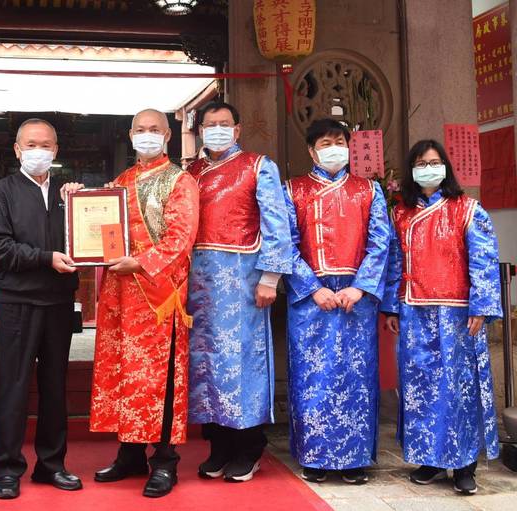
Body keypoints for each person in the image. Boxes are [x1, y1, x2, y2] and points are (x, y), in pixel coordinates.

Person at [89, 108, 199, 498]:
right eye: (141, 129)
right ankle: (130, 453)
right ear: (130, 134)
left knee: (159, 376)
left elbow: (181, 238)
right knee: (125, 373)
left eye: (155, 129)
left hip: (158, 294)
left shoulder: (180, 181)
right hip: (120, 294)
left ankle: (165, 460)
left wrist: (140, 263)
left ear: (168, 135)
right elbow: (100, 227)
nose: (147, 134)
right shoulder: (121, 180)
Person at [382, 139, 501, 495]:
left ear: (446, 166)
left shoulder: (467, 209)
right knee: (420, 387)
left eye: (434, 162)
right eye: (421, 163)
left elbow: (483, 260)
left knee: (458, 388)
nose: (428, 169)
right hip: (414, 311)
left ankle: (464, 465)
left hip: (457, 315)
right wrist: (391, 305)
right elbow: (394, 262)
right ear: (412, 170)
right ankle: (430, 459)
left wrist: (481, 306)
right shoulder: (401, 213)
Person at [186, 101, 293, 482]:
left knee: (243, 362)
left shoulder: (258, 166)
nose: (216, 129)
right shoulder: (192, 172)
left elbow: (277, 223)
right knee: (205, 365)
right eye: (209, 124)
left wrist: (270, 278)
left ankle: (249, 446)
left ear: (237, 129)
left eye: (224, 123)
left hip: (243, 281)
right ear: (200, 131)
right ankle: (218, 445)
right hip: (199, 284)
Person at [283, 118, 389, 484]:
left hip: (356, 300)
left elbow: (381, 243)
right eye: (325, 143)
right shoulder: (293, 190)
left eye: (339, 142)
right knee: (312, 377)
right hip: (310, 299)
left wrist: (360, 288)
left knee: (357, 377)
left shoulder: (369, 190)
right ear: (312, 151)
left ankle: (355, 458)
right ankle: (313, 455)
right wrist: (313, 288)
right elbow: (285, 244)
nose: (334, 149)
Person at [0, 118, 82, 500]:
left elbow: (88, 236)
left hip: (58, 302)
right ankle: (7, 468)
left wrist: (80, 204)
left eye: (46, 145)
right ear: (17, 149)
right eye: (31, 144)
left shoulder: (67, 193)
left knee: (55, 387)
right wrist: (45, 258)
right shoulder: (0, 192)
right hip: (18, 302)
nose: (39, 151)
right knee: (14, 386)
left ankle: (52, 464)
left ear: (56, 150)